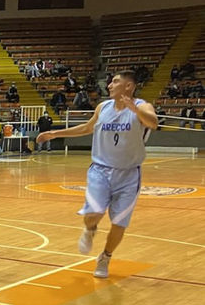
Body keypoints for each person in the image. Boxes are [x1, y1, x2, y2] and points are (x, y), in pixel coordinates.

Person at [36, 71, 157, 278]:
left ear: (129, 86)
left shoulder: (142, 106)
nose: (110, 85)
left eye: (115, 82)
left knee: (119, 223)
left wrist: (134, 110)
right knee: (94, 213)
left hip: (129, 174)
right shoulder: (103, 107)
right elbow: (87, 127)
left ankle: (105, 257)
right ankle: (90, 229)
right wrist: (55, 133)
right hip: (100, 169)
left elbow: (153, 123)